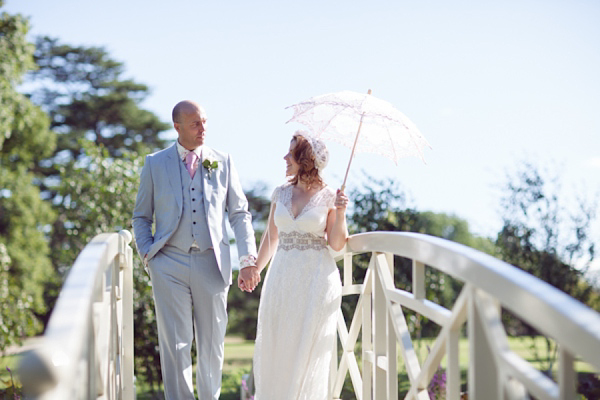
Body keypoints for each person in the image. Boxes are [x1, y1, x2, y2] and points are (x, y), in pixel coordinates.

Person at [132, 100, 260, 400]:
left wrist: (247, 259)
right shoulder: (155, 163)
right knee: (176, 344)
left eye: (204, 122)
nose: (203, 129)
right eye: (195, 124)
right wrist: (148, 255)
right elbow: (141, 217)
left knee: (212, 344)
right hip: (168, 262)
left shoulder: (222, 160)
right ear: (177, 127)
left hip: (212, 262)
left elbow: (239, 214)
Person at [242, 131, 349, 399]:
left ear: (306, 159)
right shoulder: (280, 193)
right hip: (281, 278)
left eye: (291, 153)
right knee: (278, 347)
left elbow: (337, 244)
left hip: (316, 280)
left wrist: (342, 211)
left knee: (308, 352)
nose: (285, 157)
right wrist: (256, 267)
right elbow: (271, 236)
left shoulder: (328, 197)